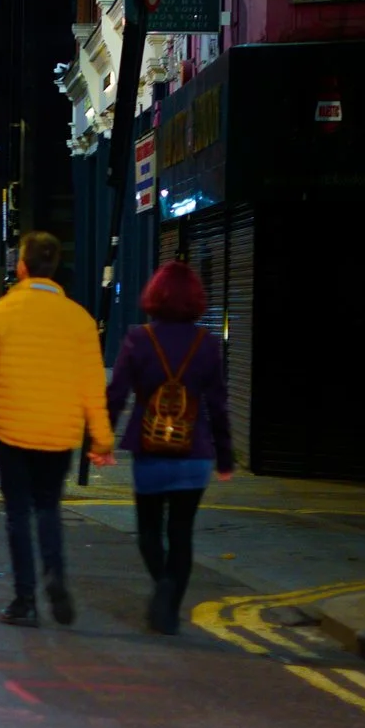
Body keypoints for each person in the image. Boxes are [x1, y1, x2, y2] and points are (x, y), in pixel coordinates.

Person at [0, 232, 116, 627]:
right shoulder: (80, 320)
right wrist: (102, 438)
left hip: (12, 433)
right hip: (59, 436)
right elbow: (92, 385)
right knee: (48, 508)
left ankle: (25, 600)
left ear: (22, 266)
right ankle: (56, 577)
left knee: (17, 515)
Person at [106, 261, 234, 635]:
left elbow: (116, 395)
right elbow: (218, 406)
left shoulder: (137, 338)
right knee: (181, 533)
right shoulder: (207, 344)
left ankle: (161, 585)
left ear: (155, 296)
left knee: (149, 530)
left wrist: (100, 442)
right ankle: (169, 607)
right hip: (194, 454)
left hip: (150, 451)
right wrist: (224, 458)